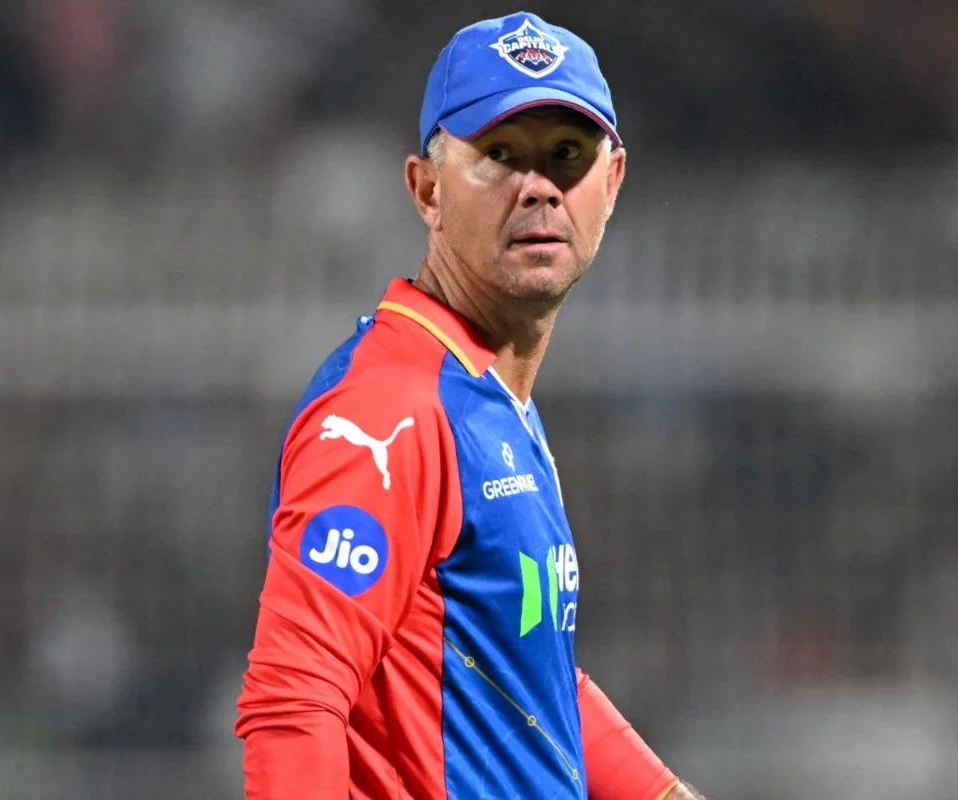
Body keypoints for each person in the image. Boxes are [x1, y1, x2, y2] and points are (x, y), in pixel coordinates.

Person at [235, 11, 706, 800]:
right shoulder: (391, 410)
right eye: (499, 156)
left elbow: (524, 678)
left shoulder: (484, 392)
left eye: (568, 155)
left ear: (613, 181)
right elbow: (294, 702)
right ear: (427, 189)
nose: (539, 187)